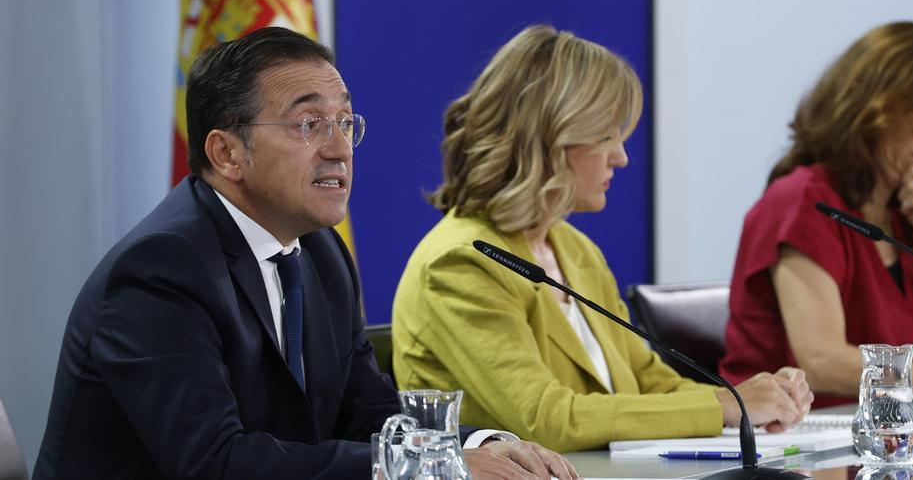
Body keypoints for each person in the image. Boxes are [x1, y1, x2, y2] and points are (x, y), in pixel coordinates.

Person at [33, 27, 576, 480]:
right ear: (226, 153)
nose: (339, 147)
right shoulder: (160, 270)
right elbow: (214, 464)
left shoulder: (319, 255)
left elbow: (368, 413)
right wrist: (435, 466)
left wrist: (484, 443)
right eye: (308, 124)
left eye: (344, 122)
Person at [391, 25, 813, 453]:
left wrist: (754, 399)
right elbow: (546, 419)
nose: (622, 156)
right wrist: (724, 406)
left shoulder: (574, 249)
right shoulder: (461, 262)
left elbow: (650, 382)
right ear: (551, 139)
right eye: (606, 135)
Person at [720, 21, 913, 409]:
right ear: (874, 105)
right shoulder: (803, 201)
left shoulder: (907, 212)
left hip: (890, 444)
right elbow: (821, 362)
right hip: (791, 451)